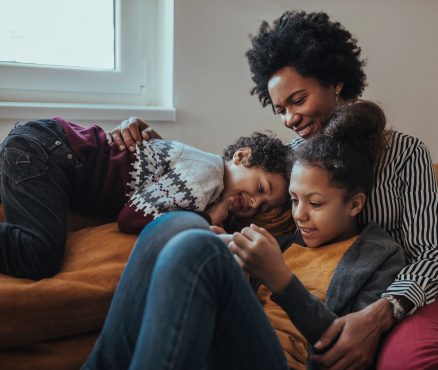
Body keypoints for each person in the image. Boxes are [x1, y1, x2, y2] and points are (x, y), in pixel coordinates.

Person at [110, 10, 438, 370]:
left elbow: (434, 256)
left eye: (299, 100)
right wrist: (156, 147)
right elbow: (229, 178)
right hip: (294, 301)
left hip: (388, 297)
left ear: (336, 82)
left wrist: (380, 313)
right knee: (175, 229)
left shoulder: (405, 154)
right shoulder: (292, 159)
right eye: (280, 110)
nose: (290, 119)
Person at [83, 101, 406, 370]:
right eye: (294, 200)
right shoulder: (283, 239)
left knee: (198, 248)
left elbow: (347, 350)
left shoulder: (379, 255)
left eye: (316, 203)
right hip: (226, 349)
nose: (299, 214)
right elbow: (226, 180)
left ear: (355, 204)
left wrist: (280, 280)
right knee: (173, 227)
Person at [0, 117, 289, 280]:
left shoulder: (201, 169)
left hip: (44, 143)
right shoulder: (208, 173)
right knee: (39, 254)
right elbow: (134, 216)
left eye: (263, 206)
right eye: (261, 188)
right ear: (242, 156)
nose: (254, 203)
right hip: (53, 154)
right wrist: (209, 219)